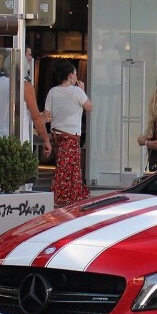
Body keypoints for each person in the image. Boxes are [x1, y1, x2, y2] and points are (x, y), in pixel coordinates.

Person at [44, 62, 91, 208]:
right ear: (71, 76)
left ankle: (62, 196)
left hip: (58, 135)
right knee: (71, 169)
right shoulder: (77, 92)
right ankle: (67, 197)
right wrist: (82, 90)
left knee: (63, 166)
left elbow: (46, 114)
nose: (76, 77)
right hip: (71, 135)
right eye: (75, 74)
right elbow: (89, 106)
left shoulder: (52, 92)